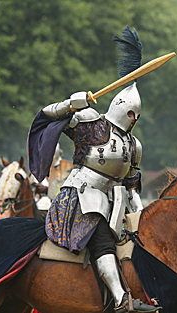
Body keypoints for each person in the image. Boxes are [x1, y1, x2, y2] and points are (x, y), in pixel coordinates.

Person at [26, 27, 159, 313]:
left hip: (115, 202)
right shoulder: (92, 124)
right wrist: (73, 104)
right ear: (121, 107)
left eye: (138, 116)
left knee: (134, 242)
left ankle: (135, 293)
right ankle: (122, 302)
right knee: (101, 238)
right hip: (80, 197)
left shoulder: (134, 145)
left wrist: (140, 216)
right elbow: (47, 114)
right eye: (131, 113)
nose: (134, 119)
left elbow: (132, 184)